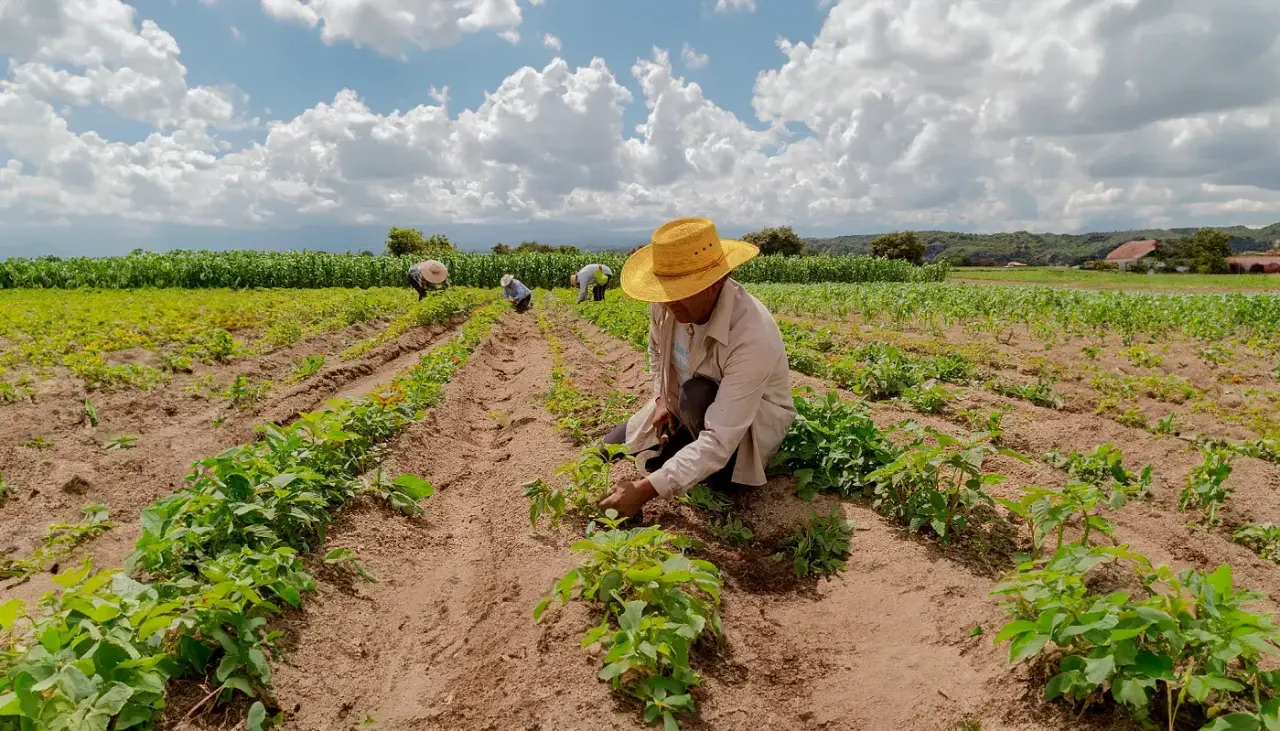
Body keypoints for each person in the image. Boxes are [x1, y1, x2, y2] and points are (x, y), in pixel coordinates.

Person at [598, 217, 797, 519]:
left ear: (716, 282)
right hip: (683, 407)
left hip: (740, 427)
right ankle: (680, 445)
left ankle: (716, 476)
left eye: (681, 290)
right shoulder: (665, 306)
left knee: (696, 394)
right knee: (605, 449)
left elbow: (719, 439)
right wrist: (661, 399)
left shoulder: (752, 334)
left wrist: (644, 491)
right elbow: (655, 350)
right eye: (664, 291)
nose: (667, 302)